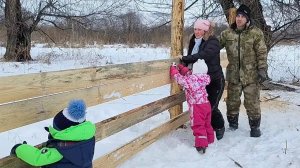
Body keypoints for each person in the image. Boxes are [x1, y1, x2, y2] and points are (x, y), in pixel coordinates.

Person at [219, 4, 268, 137]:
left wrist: (262, 69)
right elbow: (214, 46)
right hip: (234, 75)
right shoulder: (227, 33)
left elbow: (262, 52)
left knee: (252, 103)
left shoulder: (255, 33)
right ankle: (233, 124)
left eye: (242, 16)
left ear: (247, 19)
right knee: (232, 102)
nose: (239, 19)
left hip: (251, 75)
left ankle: (255, 127)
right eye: (238, 16)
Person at [10, 99, 96, 167]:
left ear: (63, 132)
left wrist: (20, 148)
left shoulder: (62, 149)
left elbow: (38, 158)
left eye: (55, 128)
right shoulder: (87, 138)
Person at [180, 19, 226, 140]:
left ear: (206, 30)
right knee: (203, 107)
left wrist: (186, 58)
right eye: (195, 29)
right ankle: (208, 128)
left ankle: (220, 126)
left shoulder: (213, 42)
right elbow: (192, 54)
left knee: (211, 107)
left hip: (215, 80)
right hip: (201, 81)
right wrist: (185, 67)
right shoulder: (194, 41)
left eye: (199, 29)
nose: (196, 31)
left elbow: (204, 55)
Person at [170, 60, 214, 153]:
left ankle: (201, 145)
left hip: (197, 107)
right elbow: (189, 74)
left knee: (198, 125)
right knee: (207, 123)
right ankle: (210, 139)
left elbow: (180, 80)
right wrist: (183, 68)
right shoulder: (203, 78)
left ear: (195, 71)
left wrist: (174, 70)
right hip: (206, 104)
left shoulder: (191, 80)